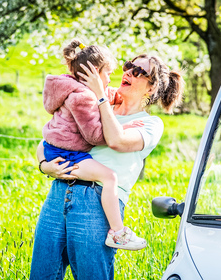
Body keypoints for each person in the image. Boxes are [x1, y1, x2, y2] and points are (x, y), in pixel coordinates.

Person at [30, 50, 184, 279]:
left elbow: (116, 140)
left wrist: (100, 96)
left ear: (151, 88)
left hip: (97, 203)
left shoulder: (151, 124)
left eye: (139, 71)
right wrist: (44, 165)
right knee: (42, 274)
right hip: (59, 194)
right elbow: (52, 137)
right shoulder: (93, 105)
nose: (129, 72)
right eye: (128, 65)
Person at [39, 39, 146, 251]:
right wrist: (124, 127)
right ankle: (117, 232)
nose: (111, 79)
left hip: (58, 149)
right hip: (67, 154)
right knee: (109, 177)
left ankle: (117, 232)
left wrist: (106, 95)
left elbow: (107, 94)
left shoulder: (75, 87)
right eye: (108, 73)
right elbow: (95, 137)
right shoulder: (82, 97)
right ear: (96, 72)